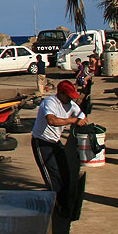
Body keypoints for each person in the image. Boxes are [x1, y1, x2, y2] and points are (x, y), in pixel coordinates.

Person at [31, 80, 87, 217]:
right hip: (42, 142)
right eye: (68, 95)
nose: (70, 99)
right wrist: (73, 120)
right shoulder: (50, 103)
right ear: (60, 93)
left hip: (55, 142)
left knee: (65, 174)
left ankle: (65, 203)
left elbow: (81, 115)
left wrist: (81, 119)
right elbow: (52, 121)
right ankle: (57, 207)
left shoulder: (71, 104)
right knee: (53, 177)